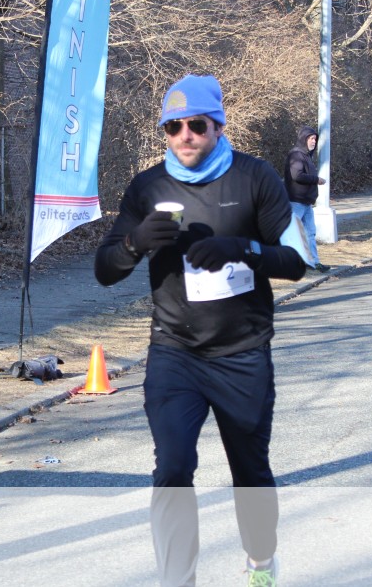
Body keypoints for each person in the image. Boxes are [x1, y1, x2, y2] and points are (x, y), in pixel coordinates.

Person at [94, 74, 305, 587]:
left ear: (218, 126)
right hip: (176, 352)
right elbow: (104, 270)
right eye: (173, 127)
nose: (184, 136)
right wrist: (135, 243)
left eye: (196, 125)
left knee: (250, 473)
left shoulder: (254, 178)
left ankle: (261, 562)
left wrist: (244, 250)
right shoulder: (148, 187)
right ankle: (177, 580)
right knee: (171, 468)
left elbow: (297, 261)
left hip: (242, 352)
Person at [283, 126, 329, 273]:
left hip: (306, 202)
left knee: (310, 233)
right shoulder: (296, 155)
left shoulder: (306, 156)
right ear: (304, 139)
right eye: (311, 139)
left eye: (315, 139)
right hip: (296, 201)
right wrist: (316, 180)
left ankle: (314, 262)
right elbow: (297, 175)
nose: (314, 141)